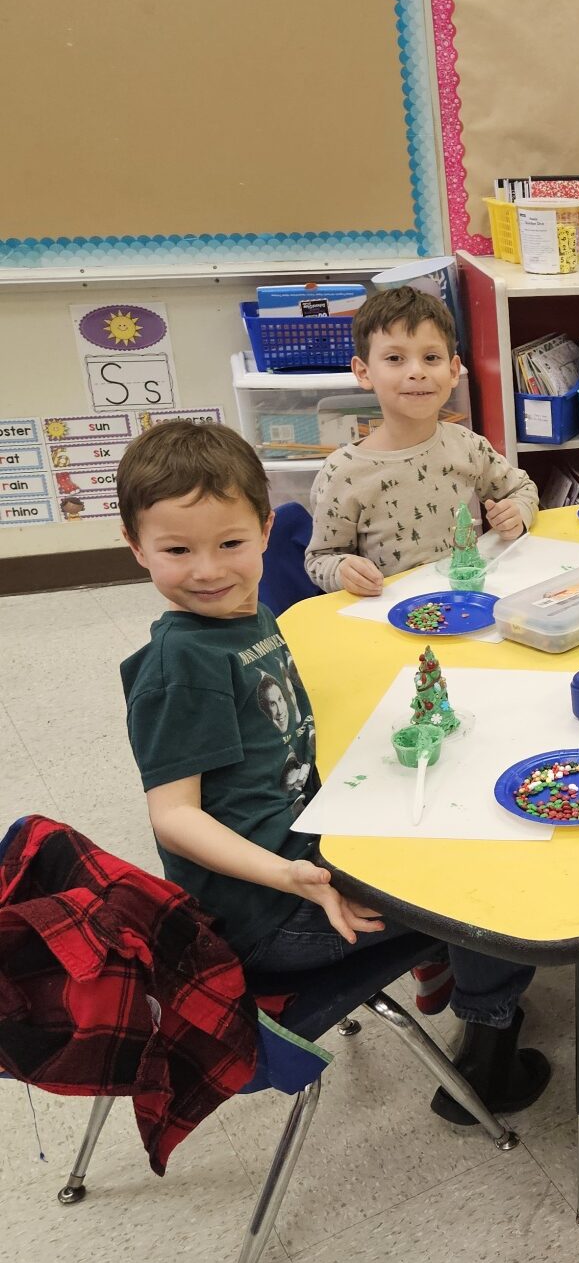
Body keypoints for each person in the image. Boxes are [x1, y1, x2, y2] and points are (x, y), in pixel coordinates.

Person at [117, 420, 550, 1123]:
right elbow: (173, 816)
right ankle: (489, 1039)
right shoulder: (179, 669)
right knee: (492, 885)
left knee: (461, 796)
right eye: (176, 551)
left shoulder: (240, 617)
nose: (207, 570)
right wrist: (290, 876)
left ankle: (439, 962)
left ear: (265, 531)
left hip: (311, 852)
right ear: (137, 549)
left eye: (229, 544)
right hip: (275, 912)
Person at [304, 286, 539, 595]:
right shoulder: (342, 472)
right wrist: (343, 570)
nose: (417, 372)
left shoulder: (468, 445)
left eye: (431, 357)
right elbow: (320, 559)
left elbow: (522, 488)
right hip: (391, 616)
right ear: (364, 372)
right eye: (394, 358)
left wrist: (517, 513)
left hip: (469, 599)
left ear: (453, 371)